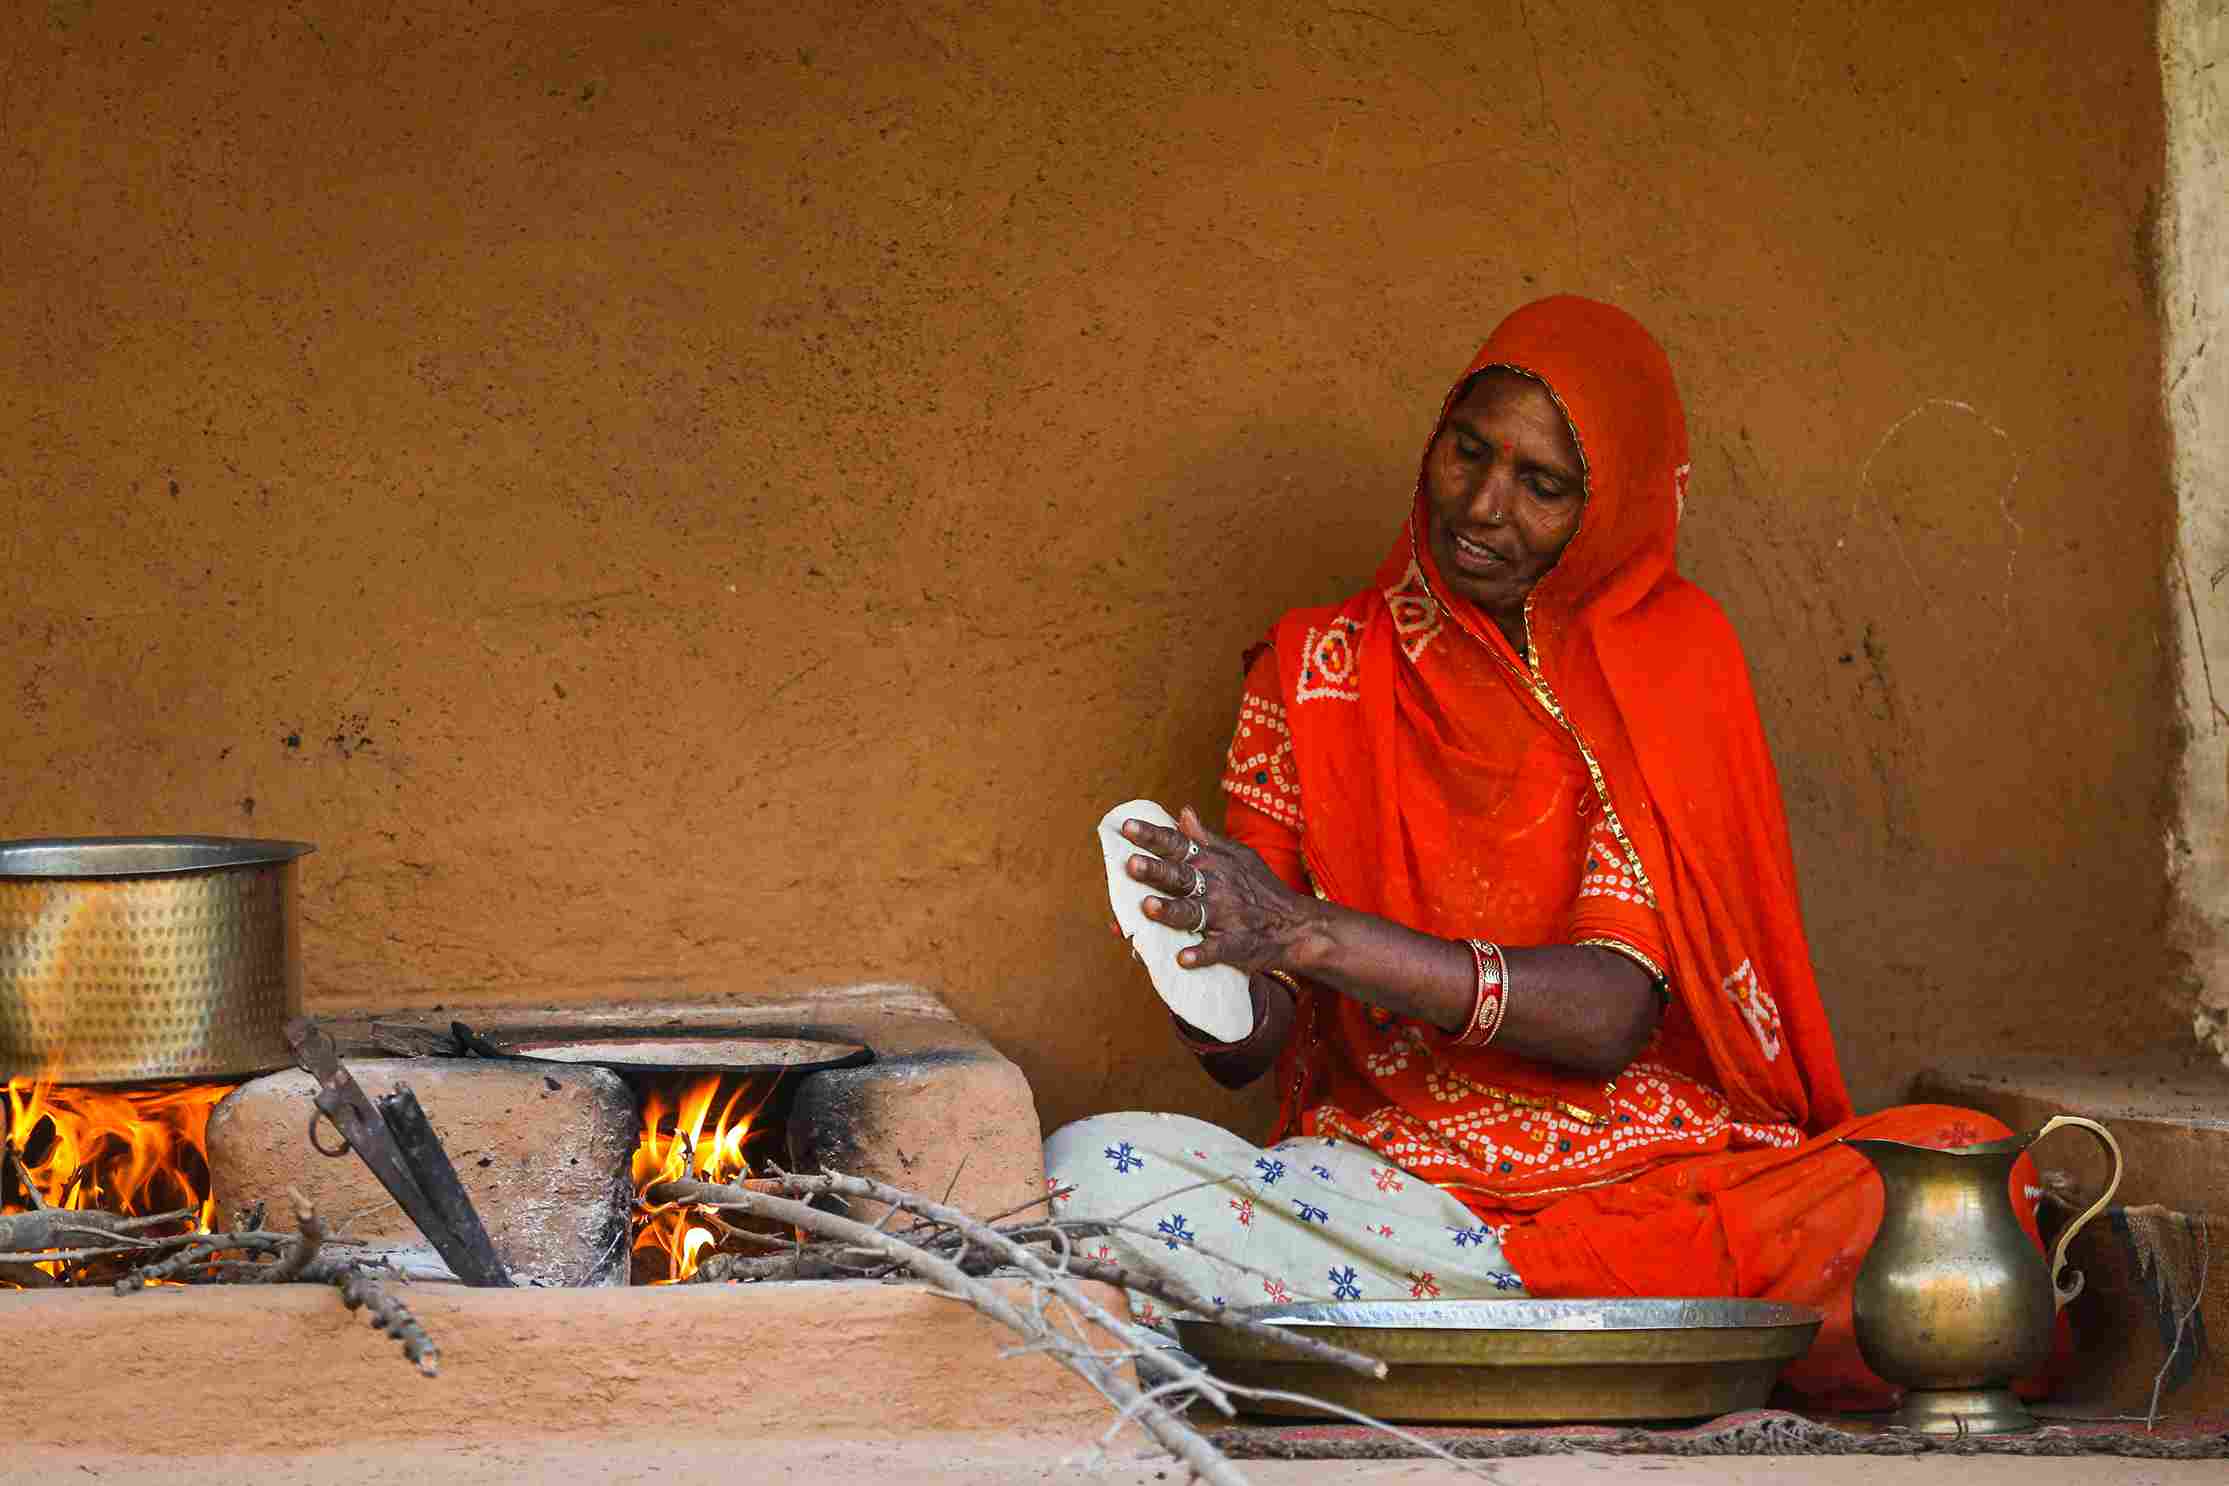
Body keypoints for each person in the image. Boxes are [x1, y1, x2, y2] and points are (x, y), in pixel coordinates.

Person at [1046, 295, 2049, 1410]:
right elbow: (1254, 1046)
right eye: (1466, 452)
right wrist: (1200, 951)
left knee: (1960, 1169)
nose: (1482, 507)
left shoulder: (1666, 668)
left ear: (1606, 505)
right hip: (1399, 1202)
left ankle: (1439, 1340)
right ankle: (1576, 1341)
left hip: (1657, 1192)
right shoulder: (1313, 669)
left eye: (1542, 484)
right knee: (1090, 1172)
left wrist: (1310, 929)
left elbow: (1611, 1011)